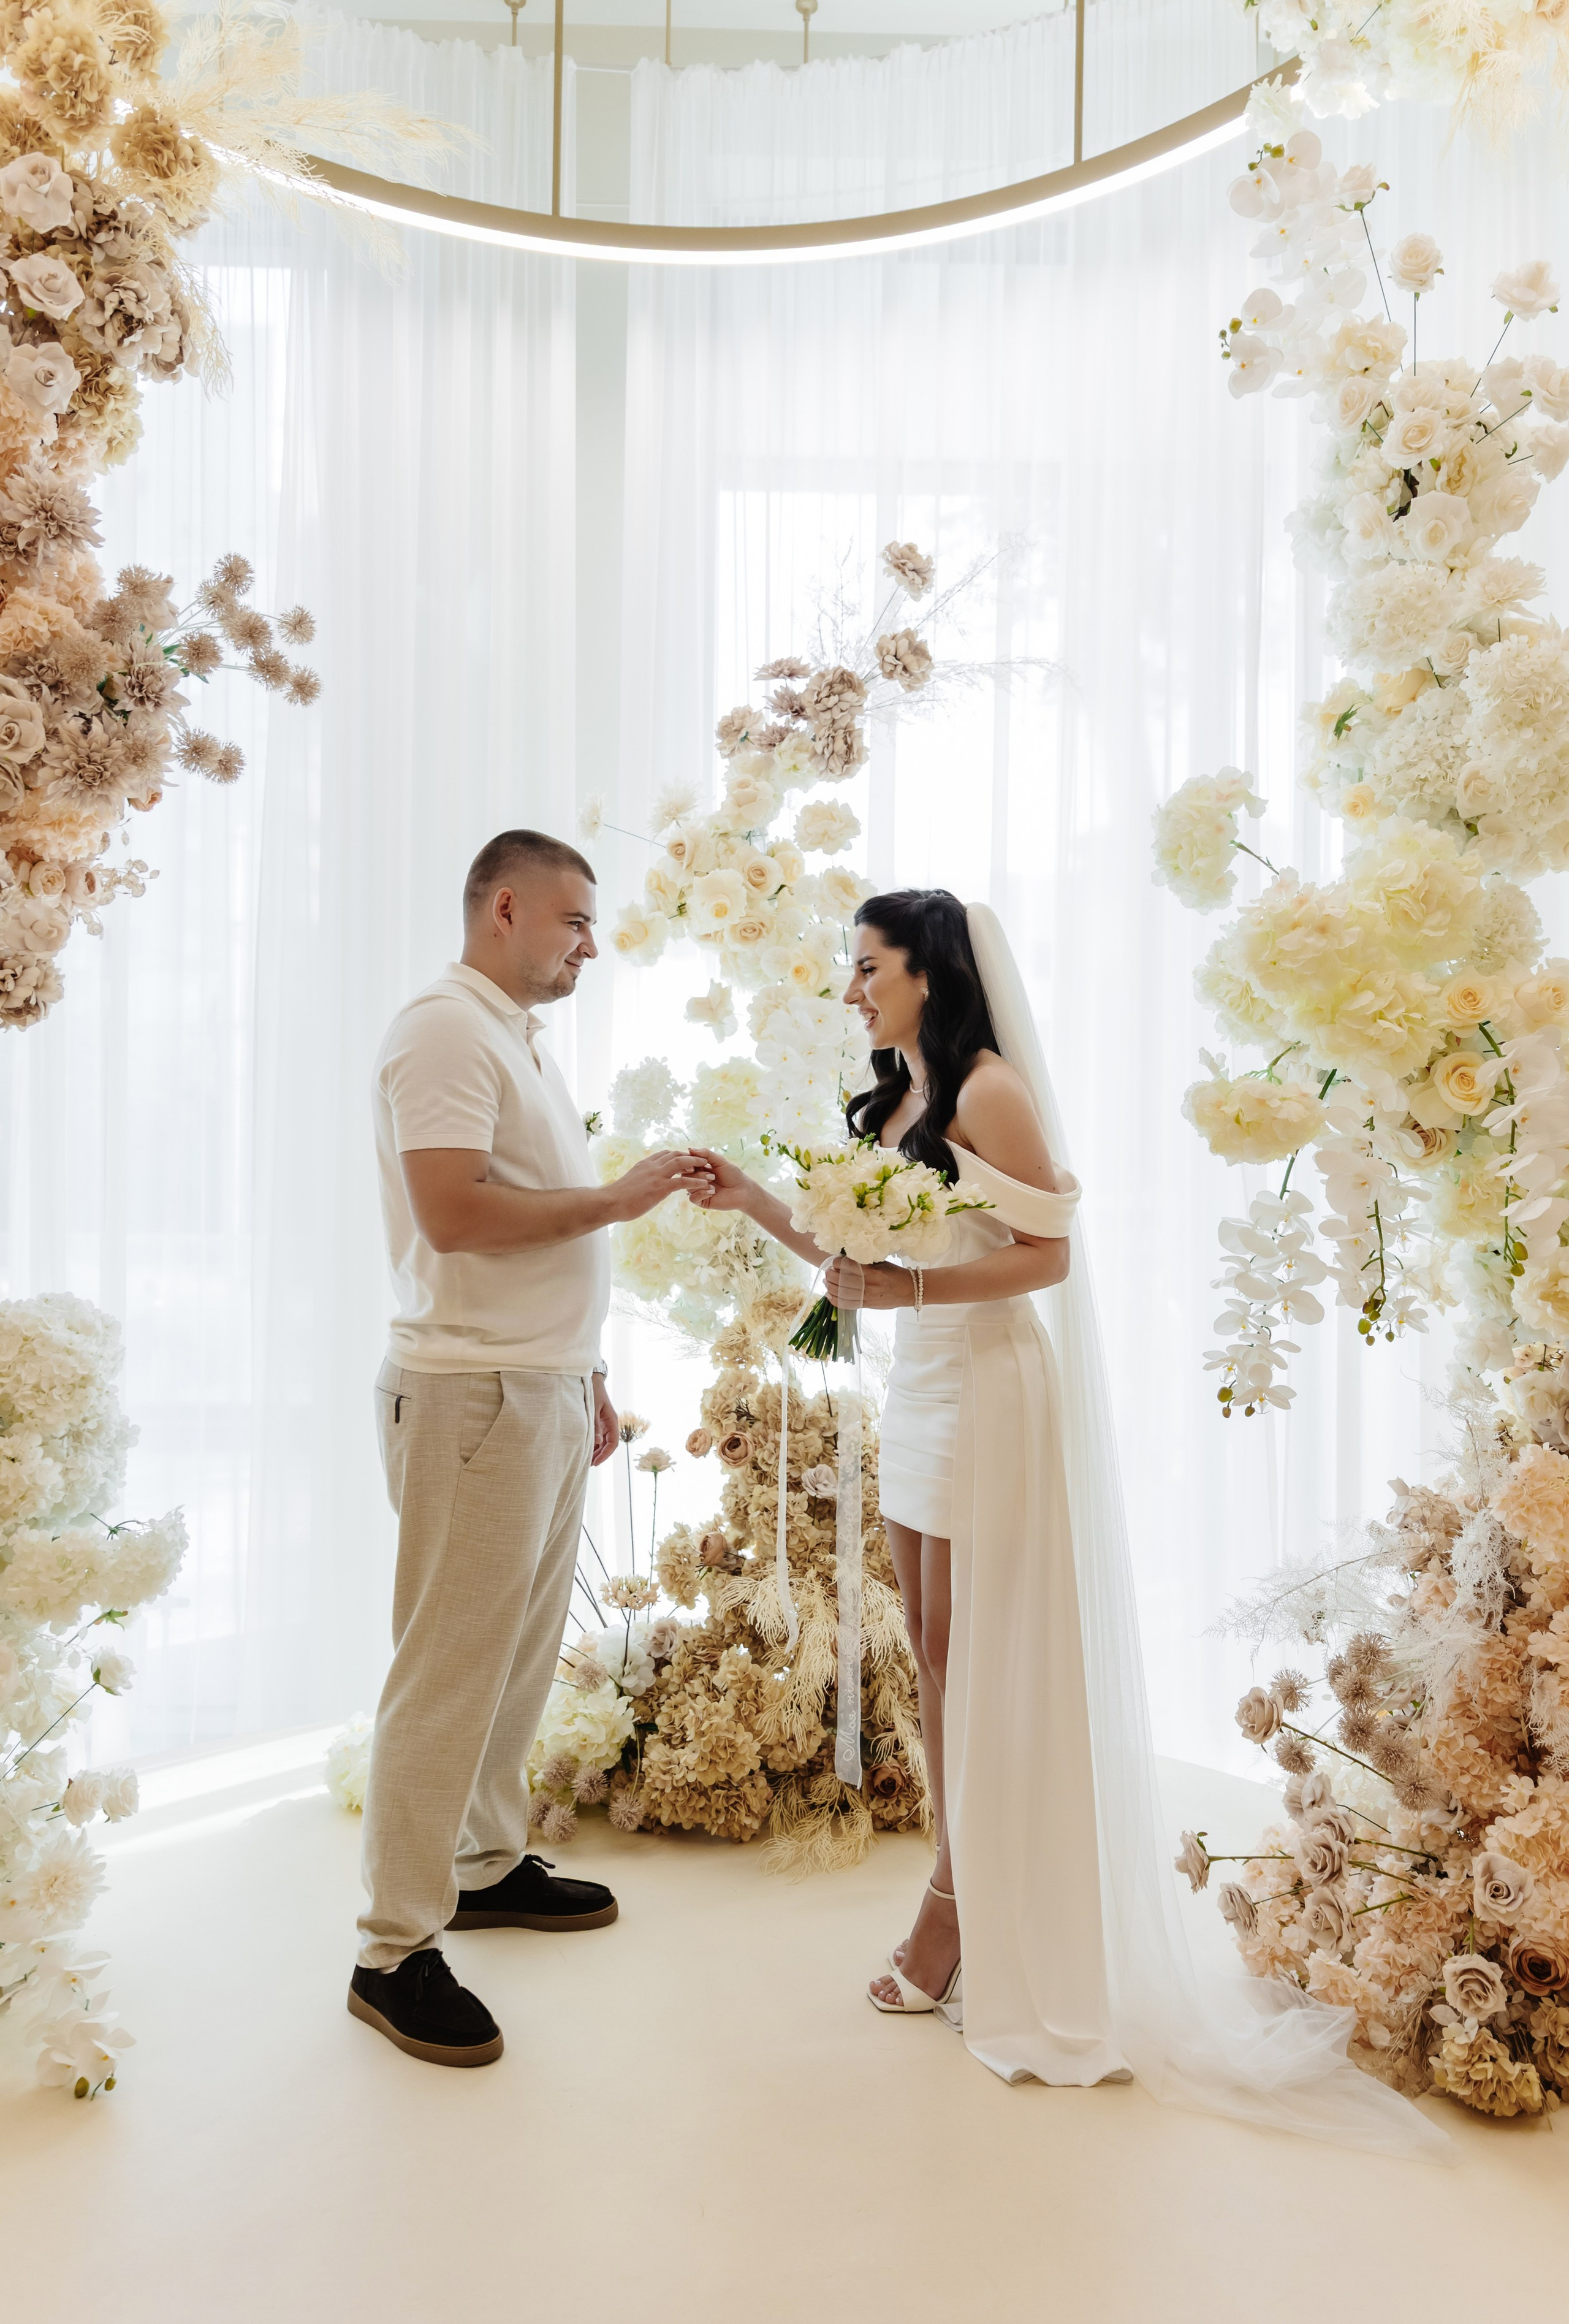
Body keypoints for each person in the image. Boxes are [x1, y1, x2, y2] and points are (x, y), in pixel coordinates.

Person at [694, 890, 1449, 2158]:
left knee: (980, 1656)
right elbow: (854, 1255)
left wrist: (913, 1283)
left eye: (864, 967)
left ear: (927, 972)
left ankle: (959, 1912)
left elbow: (1043, 1256)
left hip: (988, 1385)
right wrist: (754, 1199)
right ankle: (964, 1886)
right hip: (920, 1391)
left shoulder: (987, 1089)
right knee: (930, 1658)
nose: (848, 989)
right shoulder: (890, 1097)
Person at [351, 828, 713, 2068]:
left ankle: (484, 1862)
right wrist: (618, 1198)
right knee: (449, 1665)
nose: (589, 947)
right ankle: (391, 1949)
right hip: (470, 1393)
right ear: (504, 908)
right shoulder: (444, 1029)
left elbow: (529, 1221)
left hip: (538, 1386)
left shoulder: (514, 1038)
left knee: (512, 1656)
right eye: (572, 923)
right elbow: (454, 1215)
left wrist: (589, 1372)